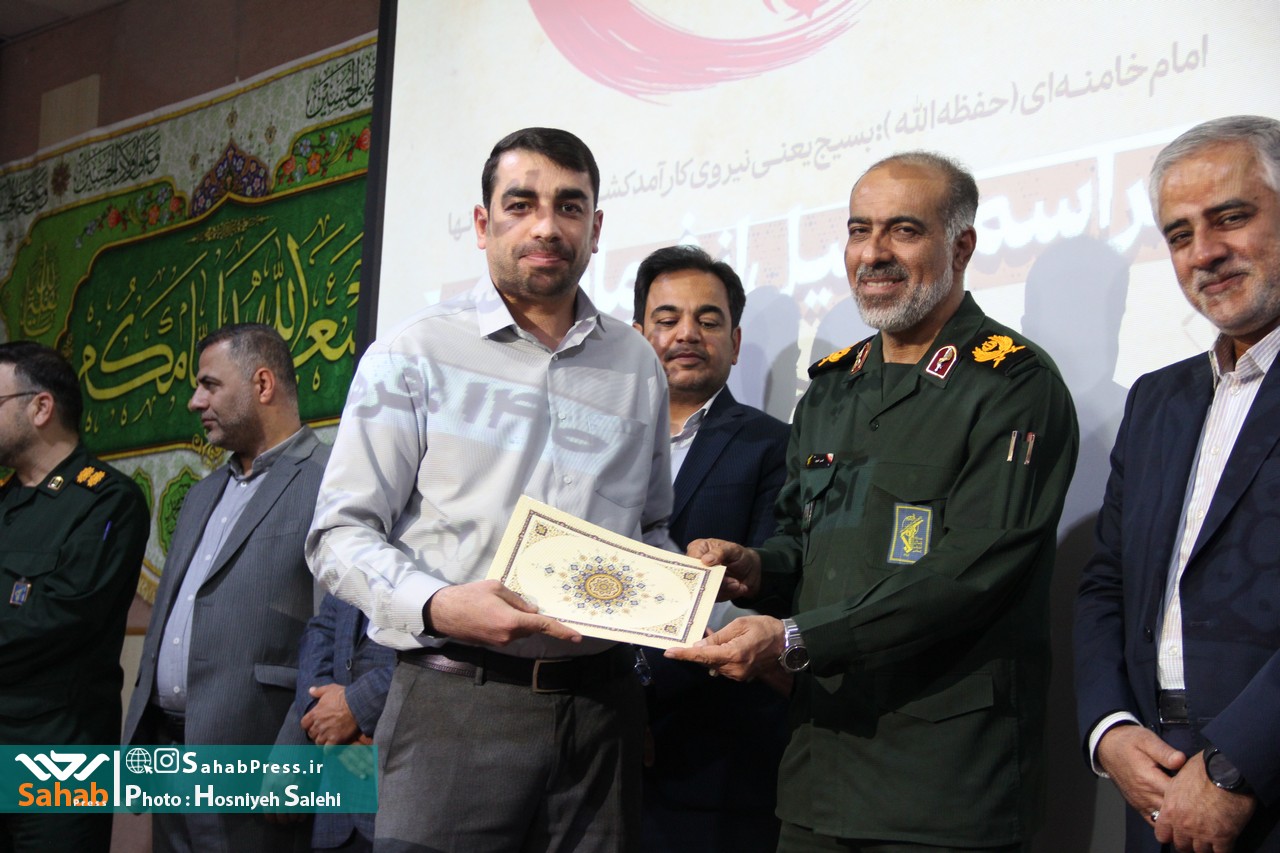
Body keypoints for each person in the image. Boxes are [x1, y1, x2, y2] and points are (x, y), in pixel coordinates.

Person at [668, 151, 1079, 851]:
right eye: (860, 230)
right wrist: (757, 567)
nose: (874, 252)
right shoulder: (833, 387)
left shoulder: (1014, 383)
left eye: (904, 230)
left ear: (961, 246)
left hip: (944, 788)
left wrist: (795, 640)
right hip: (818, 773)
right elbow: (805, 541)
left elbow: (969, 574)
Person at [307, 127, 672, 852]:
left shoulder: (637, 363)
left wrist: (694, 597)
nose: (547, 226)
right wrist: (439, 604)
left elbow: (650, 527)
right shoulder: (413, 353)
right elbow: (338, 535)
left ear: (596, 227)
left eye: (570, 206)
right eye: (521, 204)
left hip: (602, 713)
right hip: (454, 703)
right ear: (483, 224)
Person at [1074, 115, 1280, 853]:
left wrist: (1232, 767)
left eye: (1231, 217)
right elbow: (1107, 581)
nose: (1205, 252)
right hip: (1157, 782)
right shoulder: (1158, 399)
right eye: (1180, 234)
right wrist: (1110, 729)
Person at [123, 323, 329, 853]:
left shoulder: (330, 481)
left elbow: (337, 640)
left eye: (209, 385)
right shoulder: (203, 493)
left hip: (258, 763)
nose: (196, 401)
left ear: (262, 384)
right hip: (168, 756)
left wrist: (297, 758)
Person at [630, 245, 791, 852]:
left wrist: (640, 695)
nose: (686, 334)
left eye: (708, 319)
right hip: (588, 738)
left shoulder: (775, 446)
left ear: (736, 341)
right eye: (667, 319)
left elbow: (765, 593)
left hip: (710, 757)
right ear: (638, 336)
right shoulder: (599, 444)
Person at [0, 341, 149, 853]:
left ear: (40, 407)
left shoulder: (106, 499)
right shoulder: (6, 501)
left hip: (59, 759)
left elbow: (63, 617)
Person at [293, 592, 395, 853]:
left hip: (404, 788)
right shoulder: (351, 564)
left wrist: (354, 706)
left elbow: (457, 648)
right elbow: (322, 629)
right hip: (337, 794)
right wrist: (322, 716)